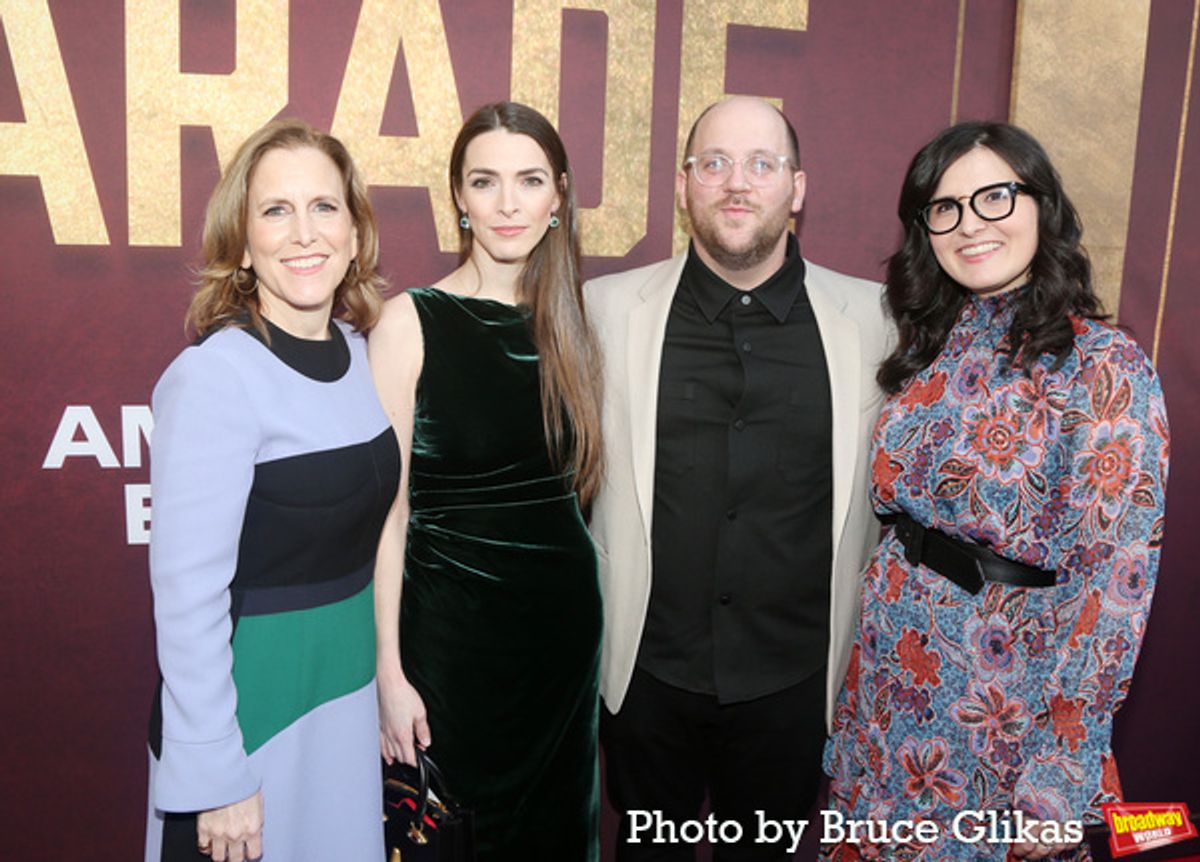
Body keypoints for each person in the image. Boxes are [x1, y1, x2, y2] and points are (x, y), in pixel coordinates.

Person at [822, 122, 1169, 861]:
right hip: (891, 695)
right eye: (944, 208)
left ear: (1043, 205)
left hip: (1001, 708)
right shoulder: (930, 346)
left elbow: (1116, 585)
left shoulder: (1104, 367)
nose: (970, 223)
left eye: (995, 196)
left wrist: (1060, 774)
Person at [584, 95, 892, 859]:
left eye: (762, 163)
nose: (736, 183)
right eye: (713, 163)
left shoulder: (879, 321)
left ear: (798, 188)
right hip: (647, 677)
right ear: (684, 186)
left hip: (795, 687)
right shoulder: (606, 310)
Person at [144, 119, 397, 862]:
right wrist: (215, 772)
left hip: (343, 711)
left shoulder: (358, 356)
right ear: (244, 242)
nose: (303, 233)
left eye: (324, 207)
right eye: (275, 210)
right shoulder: (214, 377)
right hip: (252, 723)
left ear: (354, 234)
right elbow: (187, 599)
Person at [369, 101, 604, 861]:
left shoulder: (569, 322)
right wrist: (388, 673)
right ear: (459, 200)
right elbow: (387, 515)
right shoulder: (410, 321)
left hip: (561, 644)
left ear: (558, 197)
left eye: (530, 180)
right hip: (449, 643)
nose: (508, 204)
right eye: (486, 181)